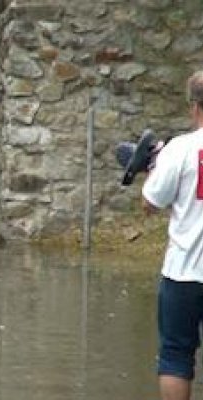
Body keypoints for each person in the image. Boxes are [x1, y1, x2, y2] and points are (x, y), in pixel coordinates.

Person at [142, 70, 203, 400]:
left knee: (176, 358)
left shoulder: (179, 149)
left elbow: (150, 202)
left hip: (183, 272)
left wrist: (152, 168)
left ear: (194, 107)